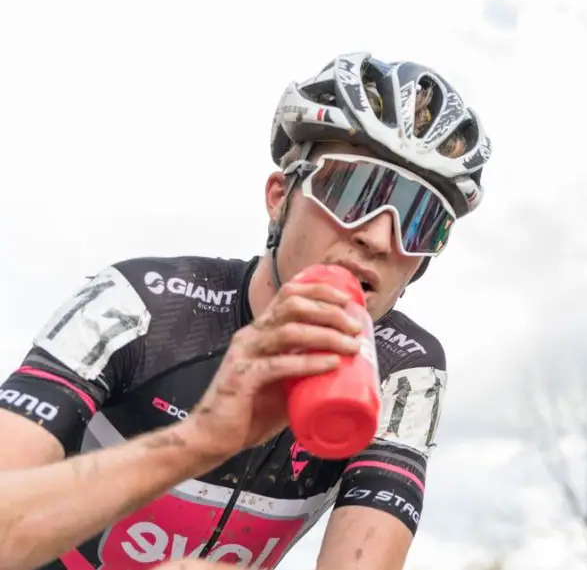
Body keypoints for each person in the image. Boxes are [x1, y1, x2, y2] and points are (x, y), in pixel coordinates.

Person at [0, 51, 492, 570]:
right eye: (352, 191)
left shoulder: (405, 372)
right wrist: (198, 442)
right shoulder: (137, 302)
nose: (375, 237)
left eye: (418, 220)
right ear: (280, 196)